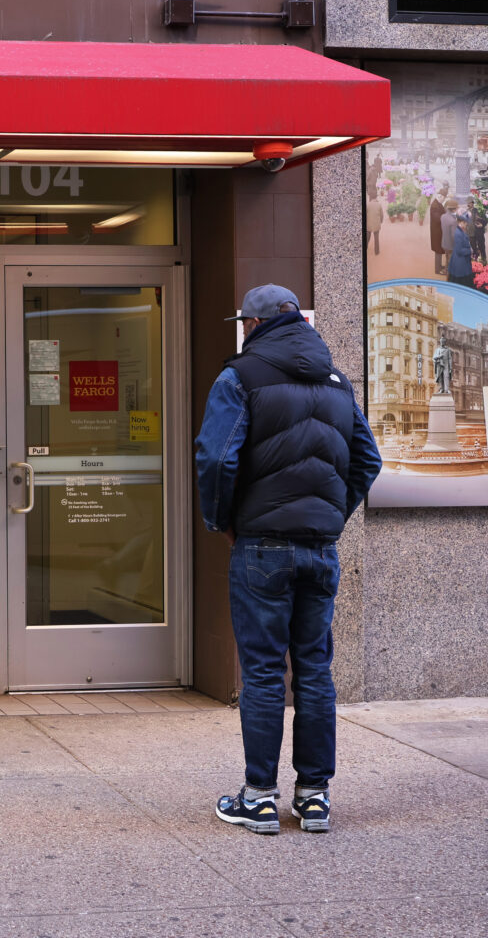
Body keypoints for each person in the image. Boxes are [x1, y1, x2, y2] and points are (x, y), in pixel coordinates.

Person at [194, 284, 382, 835]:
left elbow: (216, 457)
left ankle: (258, 797)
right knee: (316, 671)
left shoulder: (240, 377)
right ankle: (314, 796)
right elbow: (367, 460)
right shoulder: (336, 382)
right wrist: (329, 516)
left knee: (263, 672)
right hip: (320, 551)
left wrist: (220, 522)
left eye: (244, 324)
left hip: (262, 547)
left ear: (253, 325)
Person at [446, 202, 475, 287]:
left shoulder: (459, 230)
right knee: (462, 284)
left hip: (460, 262)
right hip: (460, 264)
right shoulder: (457, 233)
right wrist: (470, 250)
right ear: (461, 222)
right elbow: (459, 251)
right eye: (466, 223)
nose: (466, 225)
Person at [430, 183, 451, 273]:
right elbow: (438, 219)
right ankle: (437, 270)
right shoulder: (435, 205)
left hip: (438, 232)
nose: (443, 200)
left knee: (438, 250)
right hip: (437, 232)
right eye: (443, 198)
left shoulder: (438, 203)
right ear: (440, 197)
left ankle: (439, 266)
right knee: (438, 251)